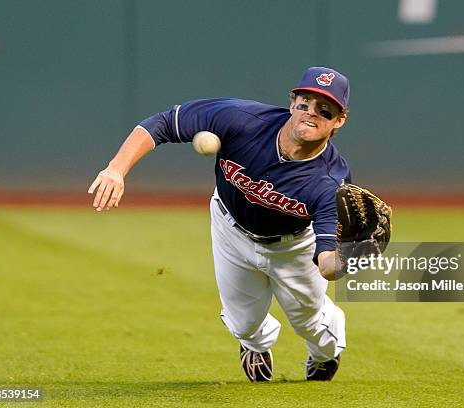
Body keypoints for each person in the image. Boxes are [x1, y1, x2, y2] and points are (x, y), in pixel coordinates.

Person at [88, 67, 352, 382]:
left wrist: (347, 259)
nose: (311, 113)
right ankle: (254, 344)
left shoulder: (331, 181)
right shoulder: (240, 119)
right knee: (243, 324)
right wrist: (116, 168)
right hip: (231, 229)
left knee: (308, 321)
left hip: (292, 247)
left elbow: (326, 263)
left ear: (339, 120)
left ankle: (325, 355)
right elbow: (161, 124)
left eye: (325, 110)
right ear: (292, 101)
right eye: (305, 103)